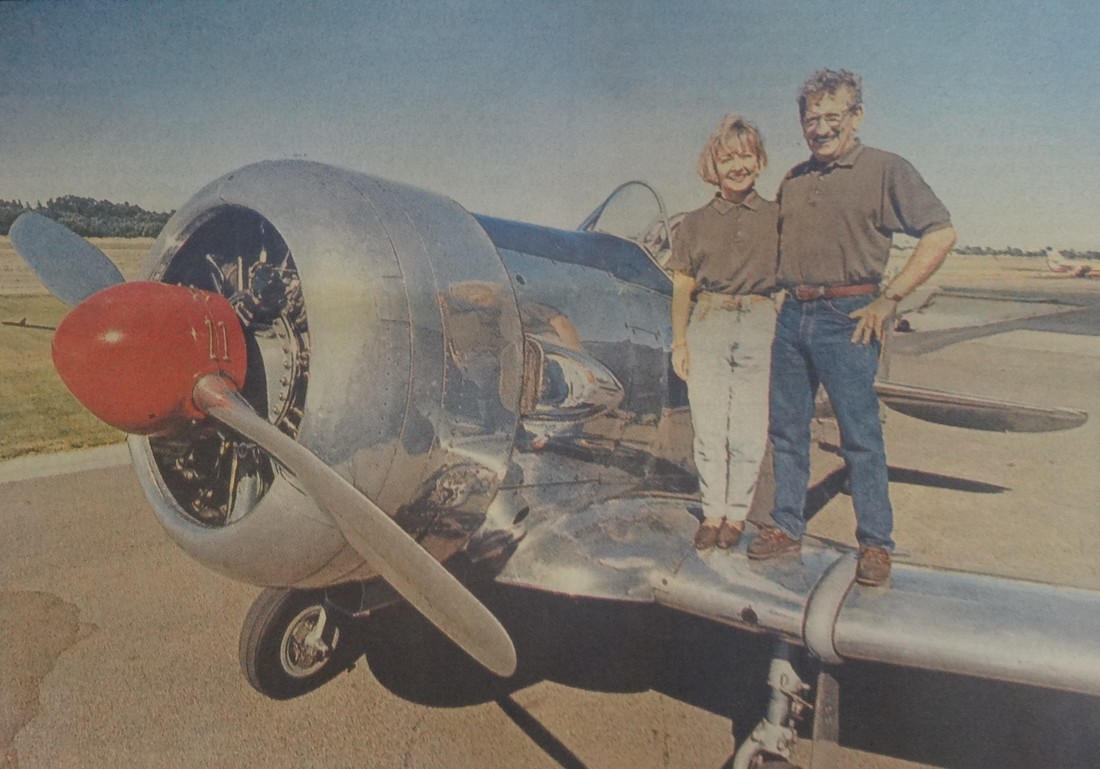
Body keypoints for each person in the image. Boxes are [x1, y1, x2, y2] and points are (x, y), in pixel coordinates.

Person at [747, 70, 956, 586]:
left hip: (850, 318)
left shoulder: (885, 169)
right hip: (793, 316)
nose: (820, 128)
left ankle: (875, 543)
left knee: (860, 437)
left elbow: (941, 233)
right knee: (787, 430)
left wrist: (890, 299)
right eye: (811, 118)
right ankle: (786, 526)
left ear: (856, 116)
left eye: (832, 116)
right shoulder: (793, 179)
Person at [667, 113, 778, 551]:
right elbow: (683, 287)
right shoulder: (694, 223)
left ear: (760, 161)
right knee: (710, 428)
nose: (738, 166)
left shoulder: (777, 217)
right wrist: (680, 342)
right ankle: (712, 512)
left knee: (748, 430)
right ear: (713, 165)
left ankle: (736, 516)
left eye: (745, 156)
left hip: (759, 322)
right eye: (727, 158)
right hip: (708, 322)